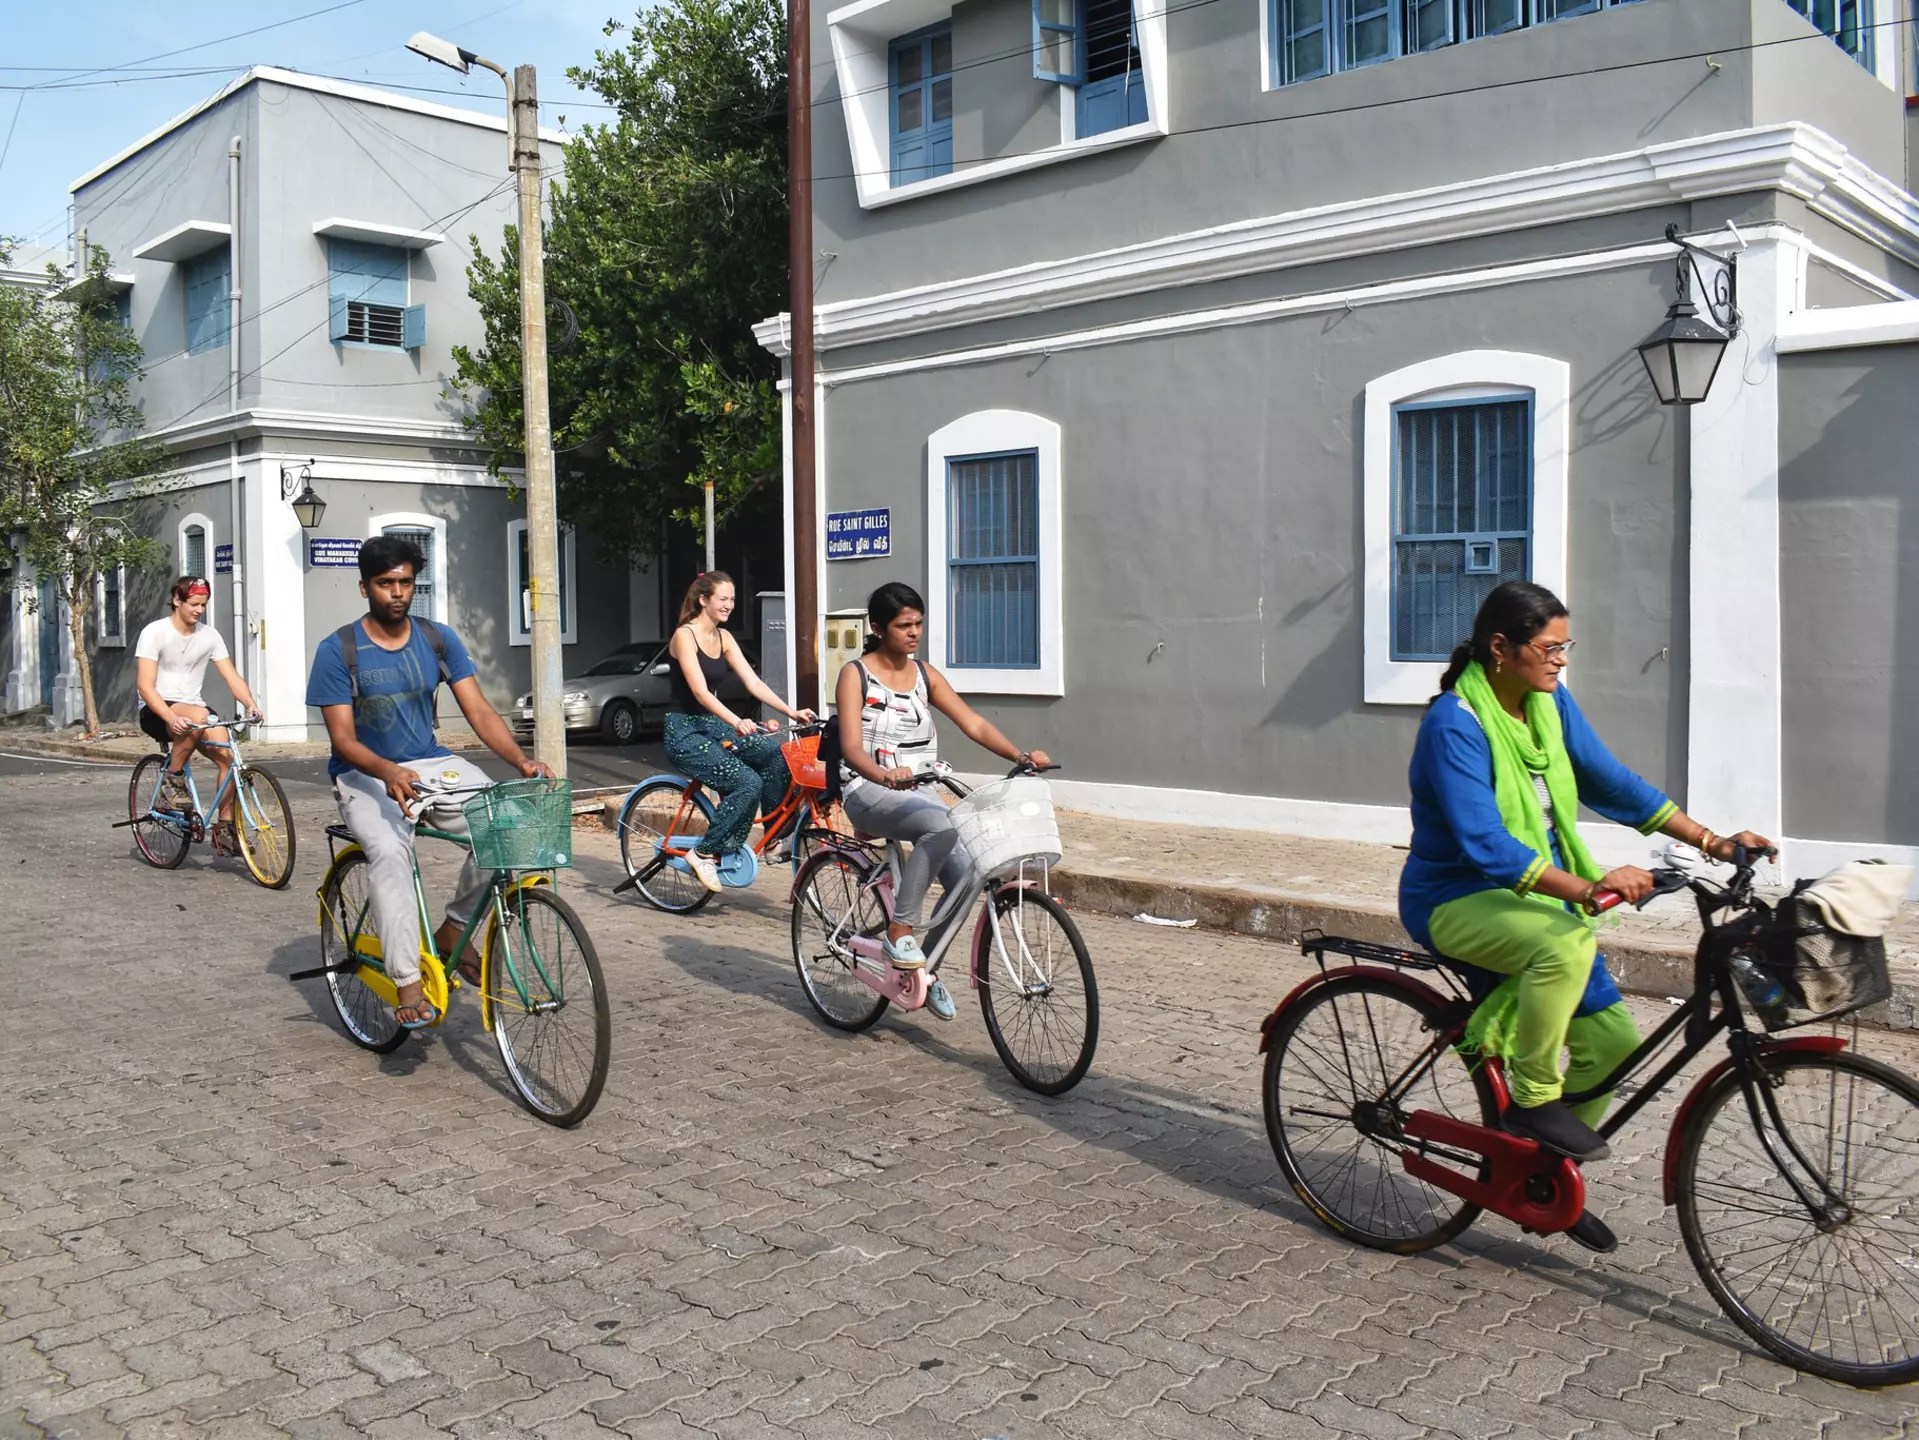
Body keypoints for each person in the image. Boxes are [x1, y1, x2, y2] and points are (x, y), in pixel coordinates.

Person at [1400, 580, 1770, 1252]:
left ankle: (1531, 1172)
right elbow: (1484, 843)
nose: (1561, 660)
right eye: (1549, 647)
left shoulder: (1547, 705)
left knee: (1611, 1047)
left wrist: (1711, 842)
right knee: (1564, 946)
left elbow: (1610, 783)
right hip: (1453, 898)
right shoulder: (1454, 723)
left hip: (1532, 897)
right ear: (1500, 648)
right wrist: (1587, 887)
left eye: (1565, 647)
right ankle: (1532, 1100)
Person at [306, 534, 549, 1030]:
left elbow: (478, 709)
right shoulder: (338, 650)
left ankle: (452, 930)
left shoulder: (437, 638)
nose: (397, 592)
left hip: (431, 763)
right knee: (392, 854)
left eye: (405, 583)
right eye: (385, 583)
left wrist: (520, 762)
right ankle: (406, 981)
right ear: (364, 588)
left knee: (509, 824)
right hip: (364, 772)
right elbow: (342, 739)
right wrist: (389, 771)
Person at [834, 582, 1053, 1022]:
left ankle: (922, 971)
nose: (914, 632)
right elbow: (852, 749)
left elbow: (971, 722)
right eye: (903, 625)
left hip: (919, 791)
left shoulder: (925, 674)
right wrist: (883, 773)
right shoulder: (854, 674)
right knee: (942, 827)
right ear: (878, 628)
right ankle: (900, 931)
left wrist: (1020, 756)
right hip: (867, 788)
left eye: (918, 623)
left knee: (969, 873)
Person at [663, 571, 816, 894]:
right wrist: (737, 721)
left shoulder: (725, 638)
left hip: (712, 725)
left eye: (732, 599)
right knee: (747, 782)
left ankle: (773, 838)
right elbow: (702, 693)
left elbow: (754, 682)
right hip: (684, 730)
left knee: (776, 756)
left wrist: (791, 711)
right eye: (723, 599)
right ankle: (703, 852)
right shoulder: (684, 637)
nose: (729, 605)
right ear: (703, 600)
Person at [134, 575, 262, 855]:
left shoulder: (209, 635)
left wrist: (250, 703)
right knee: (199, 716)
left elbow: (231, 676)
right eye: (194, 603)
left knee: (229, 759)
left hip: (195, 709)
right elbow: (144, 685)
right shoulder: (155, 632)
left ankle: (224, 829)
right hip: (157, 708)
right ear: (177, 600)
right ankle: (172, 778)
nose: (199, 610)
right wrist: (169, 717)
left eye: (203, 604)